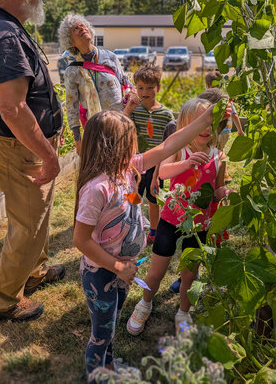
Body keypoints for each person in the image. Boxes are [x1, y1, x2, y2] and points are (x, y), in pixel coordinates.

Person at [73, 104, 227, 381]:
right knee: (101, 334)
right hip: (101, 273)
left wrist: (207, 118)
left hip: (123, 268)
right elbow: (80, 239)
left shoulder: (126, 169)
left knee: (112, 322)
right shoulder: (96, 189)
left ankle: (108, 365)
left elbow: (169, 144)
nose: (136, 149)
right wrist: (117, 266)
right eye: (130, 143)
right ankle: (97, 375)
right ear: (112, 147)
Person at [0, 0, 65, 321]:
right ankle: (4, 298)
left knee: (35, 215)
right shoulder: (6, 37)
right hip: (20, 148)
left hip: (20, 145)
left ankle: (34, 271)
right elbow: (12, 109)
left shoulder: (2, 27)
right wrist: (49, 154)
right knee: (27, 224)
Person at [127, 98, 231, 336]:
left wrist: (224, 193)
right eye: (200, 122)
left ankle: (183, 312)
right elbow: (163, 172)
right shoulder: (179, 150)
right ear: (186, 125)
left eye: (210, 123)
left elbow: (217, 189)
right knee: (156, 272)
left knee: (190, 274)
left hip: (199, 224)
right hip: (171, 218)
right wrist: (186, 163)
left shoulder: (218, 156)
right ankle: (145, 303)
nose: (206, 128)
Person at [58, 13, 131, 156]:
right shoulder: (72, 71)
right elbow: (72, 108)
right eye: (76, 29)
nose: (82, 28)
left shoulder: (110, 57)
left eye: (83, 26)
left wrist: (131, 93)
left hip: (121, 123)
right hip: (96, 129)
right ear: (70, 41)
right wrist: (78, 140)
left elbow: (125, 82)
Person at [123, 65, 174, 244]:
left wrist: (157, 172)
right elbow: (122, 127)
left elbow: (167, 145)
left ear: (158, 88)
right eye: (140, 88)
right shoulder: (134, 111)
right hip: (135, 164)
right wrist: (128, 109)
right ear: (135, 88)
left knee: (153, 199)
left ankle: (153, 231)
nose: (145, 92)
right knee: (132, 197)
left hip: (156, 165)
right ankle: (133, 228)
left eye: (150, 88)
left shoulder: (166, 115)